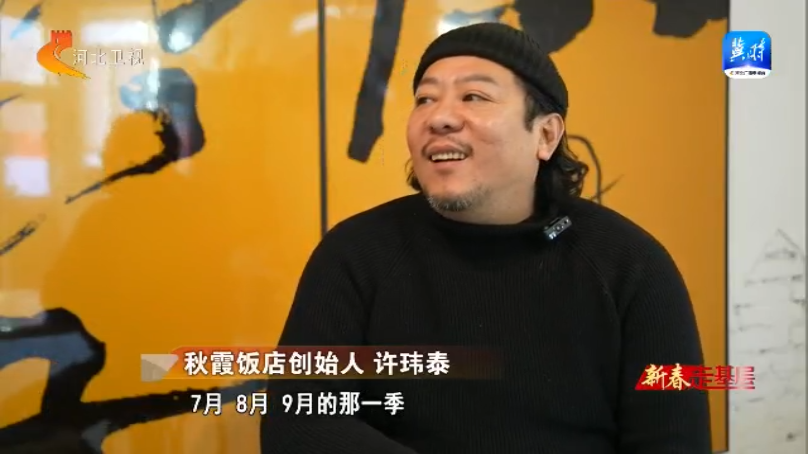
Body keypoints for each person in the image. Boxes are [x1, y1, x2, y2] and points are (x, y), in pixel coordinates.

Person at [260, 22, 711, 453]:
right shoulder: (357, 253)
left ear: (546, 135)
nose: (439, 118)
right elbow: (298, 423)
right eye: (424, 99)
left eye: (474, 96)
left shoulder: (631, 265)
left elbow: (674, 441)